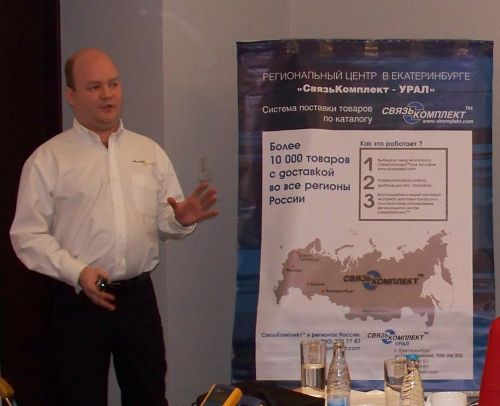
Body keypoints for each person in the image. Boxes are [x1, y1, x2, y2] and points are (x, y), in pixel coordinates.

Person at [9, 48, 218, 406]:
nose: (107, 94)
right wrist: (77, 272)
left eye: (113, 84)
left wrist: (180, 220)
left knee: (149, 396)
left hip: (138, 300)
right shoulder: (48, 159)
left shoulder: (149, 152)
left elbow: (163, 220)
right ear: (71, 95)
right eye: (94, 87)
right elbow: (27, 236)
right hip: (79, 304)